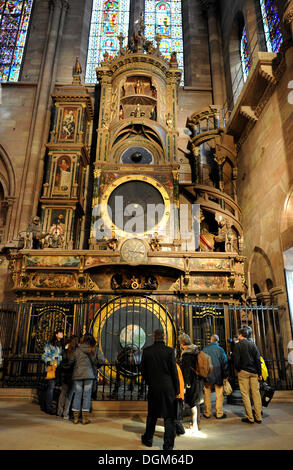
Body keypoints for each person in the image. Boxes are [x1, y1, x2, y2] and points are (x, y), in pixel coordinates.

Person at [140, 329, 179, 451]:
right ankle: (168, 445)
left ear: (153, 337)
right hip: (168, 388)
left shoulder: (147, 351)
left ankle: (148, 439)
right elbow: (174, 371)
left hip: (154, 387)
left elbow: (143, 371)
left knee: (152, 414)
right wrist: (177, 389)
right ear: (164, 337)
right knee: (169, 417)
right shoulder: (169, 351)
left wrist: (150, 382)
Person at [68, 333, 102, 425]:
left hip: (78, 374)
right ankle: (84, 418)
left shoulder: (78, 349)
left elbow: (71, 361)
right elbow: (101, 360)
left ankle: (75, 418)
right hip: (89, 374)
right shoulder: (94, 349)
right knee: (87, 395)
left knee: (77, 394)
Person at [233, 327, 263, 424]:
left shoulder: (238, 345)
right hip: (254, 372)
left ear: (241, 334)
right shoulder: (253, 345)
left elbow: (236, 360)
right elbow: (258, 360)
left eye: (238, 334)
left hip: (243, 372)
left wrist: (238, 369)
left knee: (245, 394)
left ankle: (250, 417)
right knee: (256, 394)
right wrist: (260, 373)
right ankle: (258, 417)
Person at [179, 333, 204, 435]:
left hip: (191, 381)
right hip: (198, 379)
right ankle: (196, 422)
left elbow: (186, 371)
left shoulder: (187, 354)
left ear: (182, 343)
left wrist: (185, 383)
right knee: (196, 402)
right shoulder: (196, 350)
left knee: (192, 404)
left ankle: (194, 426)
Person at [202, 334, 229, 419]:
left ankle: (207, 412)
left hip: (207, 374)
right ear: (217, 341)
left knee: (207, 394)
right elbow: (225, 363)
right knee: (219, 394)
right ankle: (219, 413)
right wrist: (226, 375)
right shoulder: (220, 350)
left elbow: (202, 363)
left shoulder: (205, 349)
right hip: (218, 374)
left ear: (211, 340)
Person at [41, 328, 64, 415]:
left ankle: (57, 407)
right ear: (56, 334)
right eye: (60, 333)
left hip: (60, 368)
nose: (62, 334)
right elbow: (44, 356)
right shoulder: (49, 345)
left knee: (56, 388)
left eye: (62, 333)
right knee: (50, 387)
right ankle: (48, 407)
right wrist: (52, 361)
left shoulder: (61, 345)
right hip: (51, 368)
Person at [57, 335, 79, 419]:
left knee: (63, 393)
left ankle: (59, 411)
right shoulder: (77, 352)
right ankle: (65, 413)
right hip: (72, 375)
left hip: (64, 374)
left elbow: (61, 361)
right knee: (69, 395)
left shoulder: (65, 350)